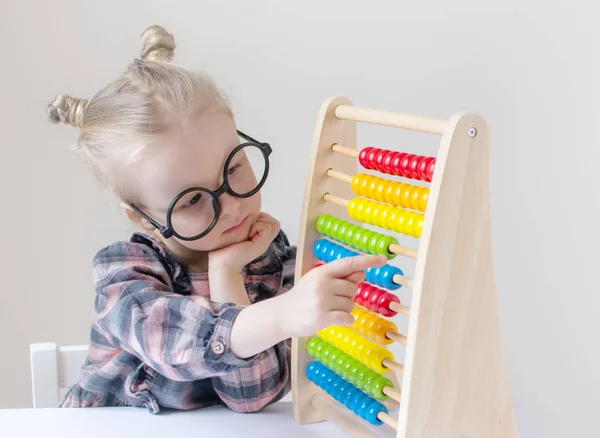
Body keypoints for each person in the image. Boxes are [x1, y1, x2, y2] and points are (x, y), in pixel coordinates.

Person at [47, 25, 386, 414]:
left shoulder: (270, 259)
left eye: (235, 166)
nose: (231, 206)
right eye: (192, 200)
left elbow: (251, 398)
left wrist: (227, 274)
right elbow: (167, 341)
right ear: (143, 219)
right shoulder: (123, 273)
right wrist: (278, 314)